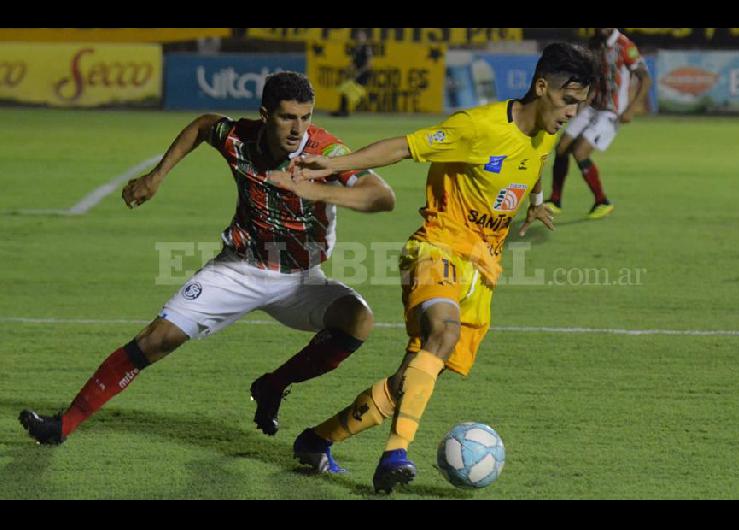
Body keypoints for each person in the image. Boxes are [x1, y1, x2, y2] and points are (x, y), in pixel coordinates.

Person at [18, 71, 396, 445]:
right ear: (265, 115)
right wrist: (156, 176)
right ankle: (62, 425)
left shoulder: (326, 153)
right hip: (239, 269)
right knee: (157, 338)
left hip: (300, 278)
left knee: (358, 319)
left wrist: (316, 192)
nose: (298, 129)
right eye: (287, 117)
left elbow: (382, 197)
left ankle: (273, 385)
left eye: (306, 116)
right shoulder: (239, 139)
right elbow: (203, 126)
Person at [288, 43, 597, 492]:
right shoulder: (477, 127)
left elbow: (536, 162)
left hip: (484, 269)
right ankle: (396, 453)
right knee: (443, 331)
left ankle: (316, 441)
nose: (573, 113)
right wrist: (333, 166)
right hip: (437, 248)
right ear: (541, 86)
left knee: (409, 379)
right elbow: (403, 147)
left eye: (581, 105)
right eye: (569, 101)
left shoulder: (545, 132)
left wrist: (535, 202)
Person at [544, 28, 652, 219]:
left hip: (612, 112)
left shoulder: (625, 45)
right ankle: (555, 200)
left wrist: (632, 108)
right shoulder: (595, 43)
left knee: (580, 152)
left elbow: (645, 77)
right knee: (561, 147)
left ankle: (602, 201)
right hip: (592, 106)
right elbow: (592, 77)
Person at [331, 29, 372, 117]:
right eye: (358, 37)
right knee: (345, 90)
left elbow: (368, 64)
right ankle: (342, 110)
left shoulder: (366, 48)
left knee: (350, 92)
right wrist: (348, 71)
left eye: (361, 37)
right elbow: (353, 64)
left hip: (363, 76)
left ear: (365, 38)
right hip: (357, 75)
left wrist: (359, 72)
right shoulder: (356, 49)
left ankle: (344, 111)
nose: (359, 38)